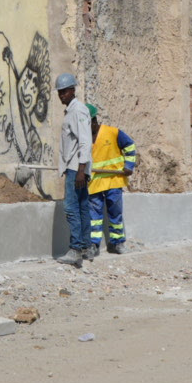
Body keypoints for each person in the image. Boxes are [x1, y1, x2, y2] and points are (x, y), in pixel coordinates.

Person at [86, 104, 138, 257]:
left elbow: (129, 145)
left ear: (94, 121)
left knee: (115, 213)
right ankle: (93, 245)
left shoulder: (112, 132)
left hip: (113, 179)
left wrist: (129, 165)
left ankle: (117, 243)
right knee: (94, 216)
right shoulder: (83, 137)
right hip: (94, 182)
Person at [53, 72, 92, 267]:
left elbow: (85, 141)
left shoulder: (78, 111)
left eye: (65, 91)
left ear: (73, 90)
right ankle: (85, 246)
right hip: (76, 167)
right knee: (82, 206)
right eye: (60, 92)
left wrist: (80, 170)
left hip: (75, 167)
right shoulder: (71, 111)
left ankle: (76, 248)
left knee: (71, 207)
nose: (62, 95)